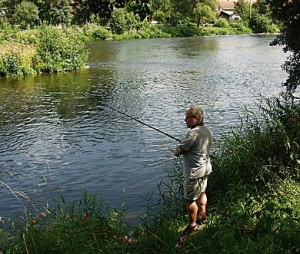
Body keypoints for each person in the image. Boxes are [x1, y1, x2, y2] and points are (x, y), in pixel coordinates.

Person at [175, 105, 212, 235]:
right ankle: (202, 215)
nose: (185, 120)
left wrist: (178, 147)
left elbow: (178, 151)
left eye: (187, 118)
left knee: (190, 200)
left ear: (195, 118)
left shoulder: (192, 133)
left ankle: (192, 225)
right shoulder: (206, 130)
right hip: (205, 169)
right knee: (202, 193)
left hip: (194, 172)